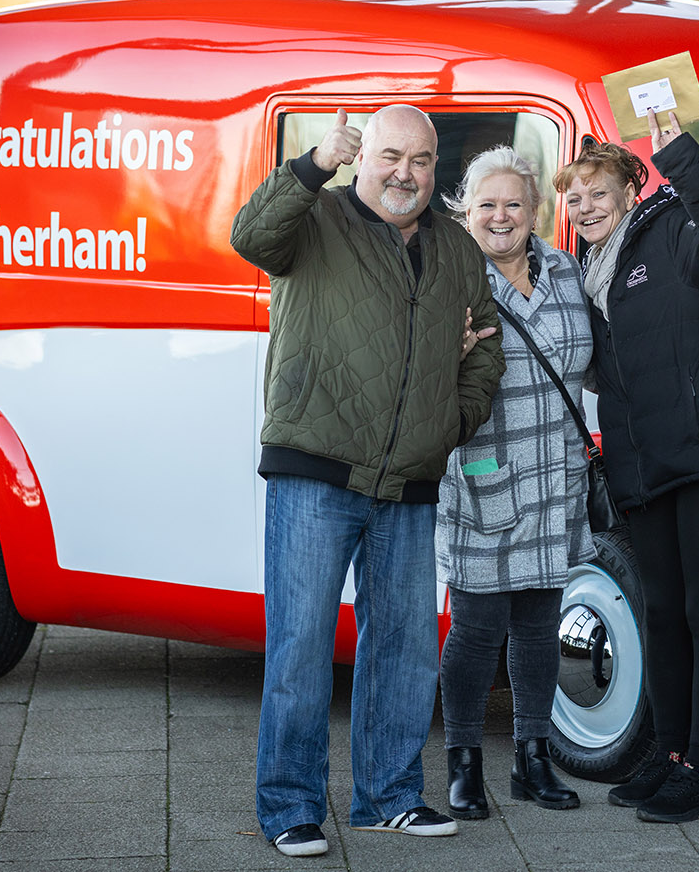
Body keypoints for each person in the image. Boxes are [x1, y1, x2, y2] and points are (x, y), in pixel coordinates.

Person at [230, 105, 504, 857]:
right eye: (390, 156)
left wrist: (450, 421)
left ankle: (388, 796)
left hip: (411, 484)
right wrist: (313, 164)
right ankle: (290, 806)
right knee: (301, 647)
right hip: (316, 473)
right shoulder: (315, 218)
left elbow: (486, 347)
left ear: (434, 168)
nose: (405, 174)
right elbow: (249, 236)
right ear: (362, 158)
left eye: (420, 161)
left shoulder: (455, 247)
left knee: (406, 651)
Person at [553, 110, 699, 824]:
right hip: (641, 466)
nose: (583, 206)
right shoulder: (584, 273)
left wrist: (677, 144)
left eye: (595, 189)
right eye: (571, 197)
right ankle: (670, 756)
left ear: (630, 184)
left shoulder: (673, 232)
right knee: (662, 615)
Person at [435, 146, 594, 820]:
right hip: (485, 470)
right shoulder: (450, 279)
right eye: (486, 205)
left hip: (557, 472)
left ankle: (533, 759)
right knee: (475, 628)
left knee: (538, 623)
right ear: (464, 212)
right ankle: (463, 765)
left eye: (513, 204)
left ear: (534, 212)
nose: (501, 216)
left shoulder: (563, 269)